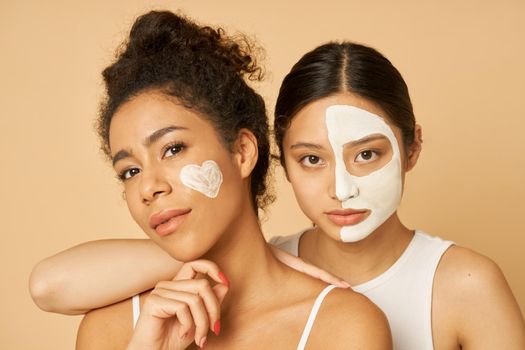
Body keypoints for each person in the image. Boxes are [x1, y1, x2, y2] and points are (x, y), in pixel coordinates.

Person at [30, 29, 525, 350]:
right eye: (311, 159)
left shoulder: (452, 288)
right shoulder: (264, 260)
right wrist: (222, 261)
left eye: (367, 154)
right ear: (281, 161)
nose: (341, 187)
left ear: (412, 147)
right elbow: (48, 284)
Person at [60, 10, 390, 350]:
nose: (148, 188)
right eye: (130, 171)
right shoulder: (112, 328)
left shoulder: (342, 326)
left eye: (172, 149)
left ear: (242, 152)